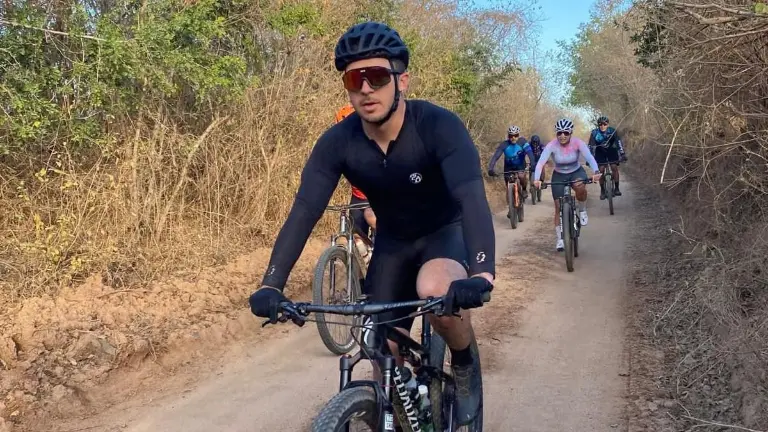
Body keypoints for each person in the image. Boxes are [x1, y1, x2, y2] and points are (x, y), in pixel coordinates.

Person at [247, 21, 494, 426]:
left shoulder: (438, 126)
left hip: (442, 233)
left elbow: (471, 196)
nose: (365, 89)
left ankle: (465, 365)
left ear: (403, 81)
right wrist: (271, 283)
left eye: (376, 77)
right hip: (394, 242)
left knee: (435, 291)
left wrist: (482, 272)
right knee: (382, 352)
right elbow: (304, 210)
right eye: (354, 79)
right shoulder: (338, 141)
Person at [533, 118, 601, 252]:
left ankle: (582, 210)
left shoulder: (578, 143)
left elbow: (589, 158)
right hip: (559, 174)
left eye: (565, 133)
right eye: (559, 133)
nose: (562, 136)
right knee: (558, 207)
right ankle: (560, 239)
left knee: (580, 186)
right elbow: (541, 163)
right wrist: (536, 179)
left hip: (576, 172)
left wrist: (596, 171)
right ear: (556, 134)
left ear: (570, 133)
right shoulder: (551, 145)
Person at [334, 103, 377, 264]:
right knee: (354, 233)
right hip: (358, 197)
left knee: (375, 221)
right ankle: (361, 275)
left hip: (378, 196)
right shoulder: (339, 148)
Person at [487, 125, 535, 207]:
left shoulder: (523, 142)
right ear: (508, 136)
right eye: (511, 136)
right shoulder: (504, 144)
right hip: (508, 167)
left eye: (516, 135)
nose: (513, 138)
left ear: (518, 135)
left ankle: (524, 189)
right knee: (508, 186)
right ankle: (510, 207)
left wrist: (533, 164)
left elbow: (530, 153)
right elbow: (495, 156)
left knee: (521, 176)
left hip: (520, 165)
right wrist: (490, 168)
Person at [588, 115, 628, 198]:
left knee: (614, 167)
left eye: (604, 124)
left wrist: (622, 153)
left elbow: (618, 143)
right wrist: (589, 158)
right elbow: (591, 146)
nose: (602, 126)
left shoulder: (612, 131)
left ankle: (617, 188)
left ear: (608, 124)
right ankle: (602, 190)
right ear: (598, 125)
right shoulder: (594, 132)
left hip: (611, 151)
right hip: (600, 152)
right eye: (600, 124)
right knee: (601, 170)